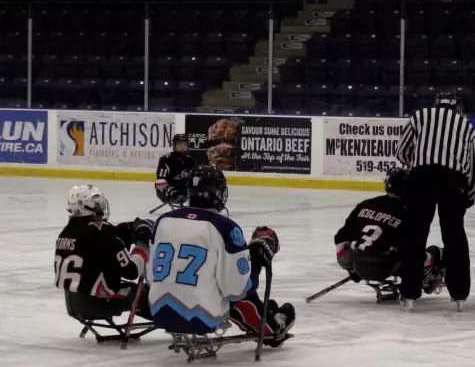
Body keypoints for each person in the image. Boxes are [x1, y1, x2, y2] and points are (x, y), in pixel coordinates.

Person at [147, 165, 295, 344]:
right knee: (239, 293)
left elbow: (150, 277)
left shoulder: (162, 221)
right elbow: (236, 289)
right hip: (201, 316)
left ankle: (264, 312)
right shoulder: (224, 227)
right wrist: (256, 259)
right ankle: (271, 326)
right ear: (216, 192)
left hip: (158, 311)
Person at [395, 91, 475, 312]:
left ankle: (408, 293)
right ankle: (459, 294)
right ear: (457, 108)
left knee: (415, 234)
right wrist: (468, 197)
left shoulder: (419, 116)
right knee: (454, 235)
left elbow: (402, 151)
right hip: (453, 181)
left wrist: (418, 166)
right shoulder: (467, 126)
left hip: (421, 177)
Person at [334, 167, 446, 301]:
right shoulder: (407, 212)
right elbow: (412, 247)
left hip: (360, 265)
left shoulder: (365, 204)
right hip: (388, 266)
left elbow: (340, 237)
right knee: (437, 253)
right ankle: (426, 278)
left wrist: (351, 269)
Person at [54, 184, 153, 318]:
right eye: (97, 205)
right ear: (85, 208)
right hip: (99, 303)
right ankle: (170, 324)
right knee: (149, 294)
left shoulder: (66, 233)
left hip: (75, 304)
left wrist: (124, 230)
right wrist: (142, 243)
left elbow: (99, 247)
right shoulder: (101, 233)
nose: (100, 208)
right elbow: (132, 271)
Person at [155, 134, 197, 206]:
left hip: (184, 191)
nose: (182, 146)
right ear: (174, 145)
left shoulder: (190, 160)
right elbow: (159, 181)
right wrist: (170, 191)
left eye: (185, 144)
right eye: (179, 144)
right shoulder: (166, 159)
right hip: (167, 191)